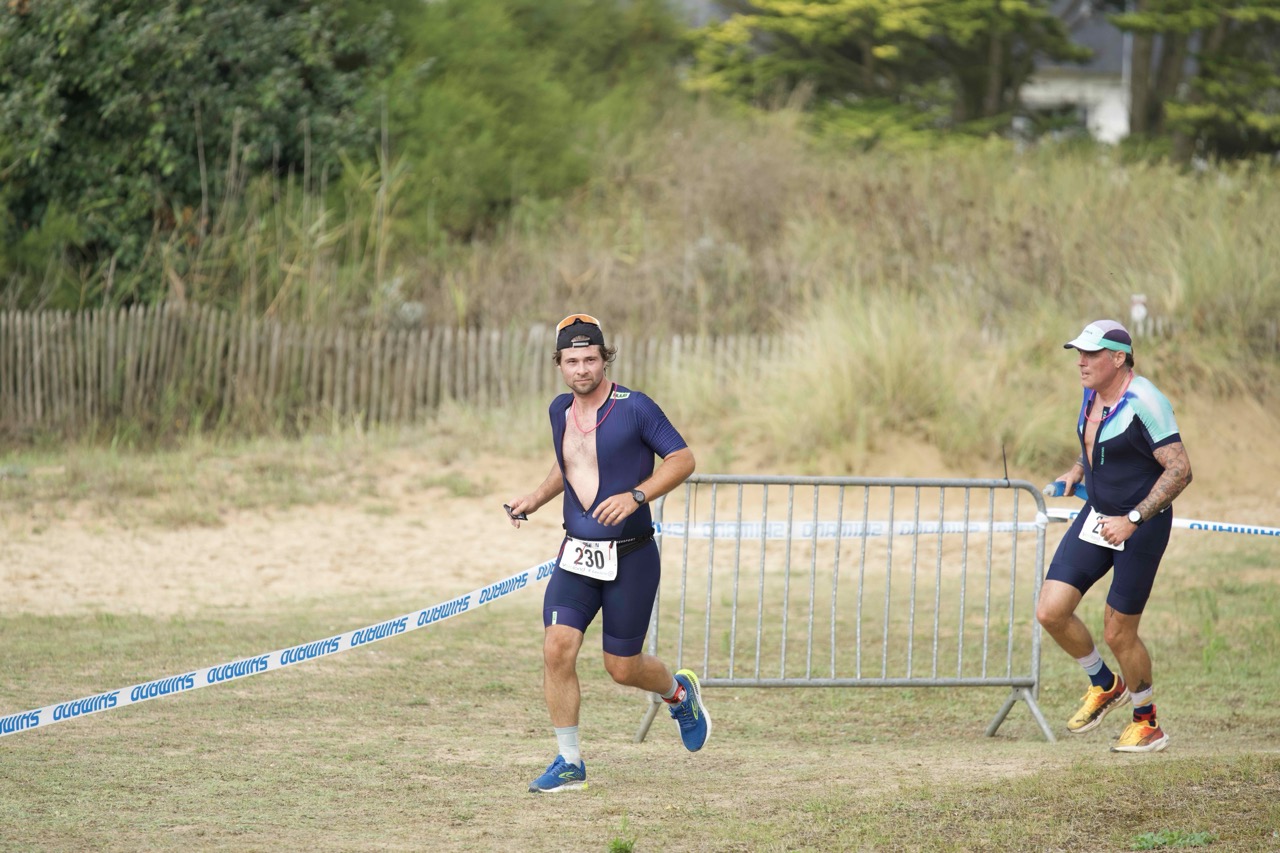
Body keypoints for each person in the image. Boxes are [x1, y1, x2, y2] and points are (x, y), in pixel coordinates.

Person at [505, 312, 709, 793]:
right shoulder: (559, 410)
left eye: (590, 359)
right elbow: (570, 463)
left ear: (604, 359)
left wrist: (637, 495)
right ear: (559, 364)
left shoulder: (635, 407)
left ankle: (678, 693)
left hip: (631, 556)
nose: (582, 369)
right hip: (577, 555)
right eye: (572, 361)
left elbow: (682, 459)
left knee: (622, 667)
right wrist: (536, 498)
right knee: (557, 648)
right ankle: (569, 761)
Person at [1037, 320, 1193, 753]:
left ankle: (1147, 722)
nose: (1081, 362)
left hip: (1142, 524)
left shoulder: (1146, 400)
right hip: (1098, 516)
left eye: (1091, 354)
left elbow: (1180, 469)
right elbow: (1094, 440)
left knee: (1118, 633)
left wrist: (1134, 519)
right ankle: (1105, 684)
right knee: (1050, 611)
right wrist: (1077, 470)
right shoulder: (1092, 393)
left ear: (1118, 358)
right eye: (1078, 353)